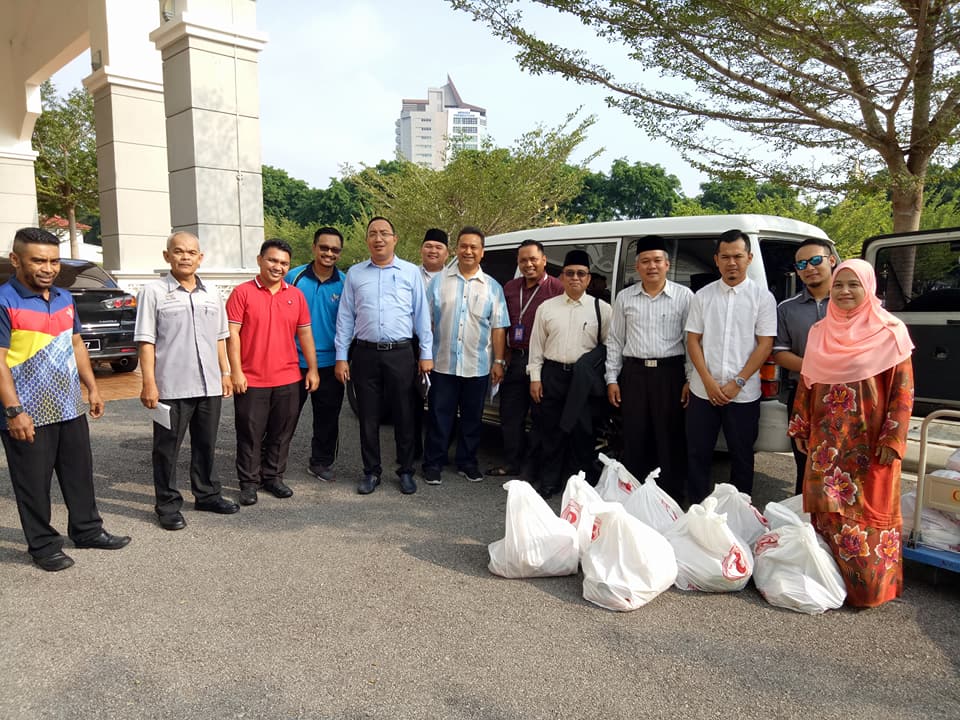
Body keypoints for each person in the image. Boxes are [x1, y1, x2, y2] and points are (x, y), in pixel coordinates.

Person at [0, 227, 130, 571]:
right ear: (16, 260)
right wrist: (13, 411)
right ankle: (43, 545)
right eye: (38, 260)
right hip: (25, 409)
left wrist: (93, 387)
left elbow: (75, 345)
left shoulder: (63, 297)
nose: (48, 268)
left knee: (78, 472)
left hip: (67, 403)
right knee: (33, 482)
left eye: (54, 261)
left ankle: (87, 530)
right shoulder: (3, 301)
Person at [788, 259, 914, 608]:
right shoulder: (819, 332)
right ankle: (828, 585)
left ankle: (869, 590)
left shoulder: (890, 331)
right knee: (827, 514)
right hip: (827, 443)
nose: (844, 292)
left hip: (870, 444)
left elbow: (903, 391)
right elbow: (808, 381)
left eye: (853, 285)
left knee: (868, 513)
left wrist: (894, 437)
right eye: (839, 285)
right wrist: (800, 423)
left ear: (869, 288)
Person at [136, 231, 239, 531]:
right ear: (167, 256)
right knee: (167, 448)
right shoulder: (153, 292)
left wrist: (226, 372)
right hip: (171, 386)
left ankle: (207, 494)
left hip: (209, 385)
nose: (185, 257)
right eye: (178, 251)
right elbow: (146, 341)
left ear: (200, 257)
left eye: (191, 252)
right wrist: (148, 383)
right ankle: (167, 505)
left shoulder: (212, 294)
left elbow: (220, 337)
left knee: (206, 444)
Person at [335, 217, 433, 495]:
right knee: (368, 416)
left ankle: (405, 471)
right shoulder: (355, 273)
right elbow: (345, 317)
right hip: (365, 353)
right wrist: (342, 356)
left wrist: (425, 353)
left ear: (395, 239)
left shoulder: (411, 272)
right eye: (373, 234)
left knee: (405, 414)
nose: (378, 238)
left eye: (384, 233)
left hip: (401, 353)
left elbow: (421, 315)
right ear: (367, 240)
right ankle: (371, 471)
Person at [685, 229, 777, 504]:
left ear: (748, 258)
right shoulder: (703, 296)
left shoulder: (763, 298)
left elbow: (765, 344)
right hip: (704, 392)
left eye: (737, 256)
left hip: (743, 393)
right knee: (698, 453)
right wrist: (708, 382)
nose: (731, 262)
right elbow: (693, 341)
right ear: (716, 260)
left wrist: (738, 382)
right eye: (725, 257)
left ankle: (741, 510)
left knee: (742, 454)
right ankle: (698, 510)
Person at [226, 239, 319, 507]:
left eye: (284, 263)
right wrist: (236, 372)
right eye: (273, 260)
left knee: (281, 433)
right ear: (260, 260)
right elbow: (232, 334)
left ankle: (274, 477)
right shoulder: (242, 293)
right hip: (251, 379)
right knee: (250, 433)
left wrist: (312, 369)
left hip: (288, 377)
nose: (278, 267)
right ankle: (248, 483)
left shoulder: (296, 295)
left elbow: (305, 334)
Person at [605, 235, 693, 503]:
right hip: (634, 374)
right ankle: (634, 496)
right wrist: (612, 378)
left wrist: (690, 378)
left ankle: (670, 499)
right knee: (634, 435)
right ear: (637, 266)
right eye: (645, 261)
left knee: (670, 436)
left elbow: (692, 342)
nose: (651, 266)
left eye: (657, 260)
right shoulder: (625, 297)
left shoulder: (684, 296)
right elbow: (615, 339)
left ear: (667, 264)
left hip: (670, 374)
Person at [422, 226, 509, 485]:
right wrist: (424, 355)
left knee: (472, 418)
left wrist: (499, 361)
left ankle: (467, 462)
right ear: (456, 249)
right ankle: (433, 463)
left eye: (474, 247)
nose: (468, 251)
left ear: (482, 253)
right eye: (464, 246)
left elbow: (498, 328)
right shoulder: (439, 282)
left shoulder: (492, 288)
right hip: (443, 364)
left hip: (478, 365)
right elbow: (426, 323)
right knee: (439, 416)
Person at [527, 249, 612, 498]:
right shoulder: (547, 307)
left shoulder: (602, 309)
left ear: (588, 279)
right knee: (551, 431)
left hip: (583, 381)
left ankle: (577, 487)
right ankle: (549, 482)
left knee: (582, 433)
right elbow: (536, 345)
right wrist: (535, 378)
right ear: (562, 277)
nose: (575, 277)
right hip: (553, 375)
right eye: (570, 273)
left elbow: (609, 348)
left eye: (581, 274)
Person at [487, 239, 563, 478]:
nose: (528, 264)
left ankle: (535, 468)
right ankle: (512, 462)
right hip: (516, 358)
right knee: (510, 415)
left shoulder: (557, 288)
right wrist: (501, 360)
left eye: (533, 259)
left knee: (542, 417)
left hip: (543, 360)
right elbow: (502, 324)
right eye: (523, 260)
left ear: (544, 260)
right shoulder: (510, 287)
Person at [773, 237, 837, 495]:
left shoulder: (852, 302)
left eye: (815, 260)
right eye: (802, 264)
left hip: (847, 399)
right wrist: (816, 368)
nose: (809, 268)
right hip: (804, 395)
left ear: (831, 260)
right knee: (806, 464)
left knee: (844, 466)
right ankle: (804, 530)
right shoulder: (787, 309)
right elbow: (779, 353)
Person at [286, 227, 346, 482]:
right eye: (324, 247)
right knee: (284, 417)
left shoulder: (345, 283)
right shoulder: (293, 277)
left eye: (334, 250)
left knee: (327, 418)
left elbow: (349, 324)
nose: (328, 253)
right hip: (293, 361)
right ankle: (270, 463)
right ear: (314, 247)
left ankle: (320, 462)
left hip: (330, 363)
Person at [413, 228, 449, 458]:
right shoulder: (409, 274)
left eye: (438, 247)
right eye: (429, 246)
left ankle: (438, 452)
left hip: (443, 346)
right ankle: (412, 449)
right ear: (421, 249)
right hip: (411, 345)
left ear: (447, 253)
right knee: (411, 399)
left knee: (441, 402)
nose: (433, 251)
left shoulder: (452, 278)